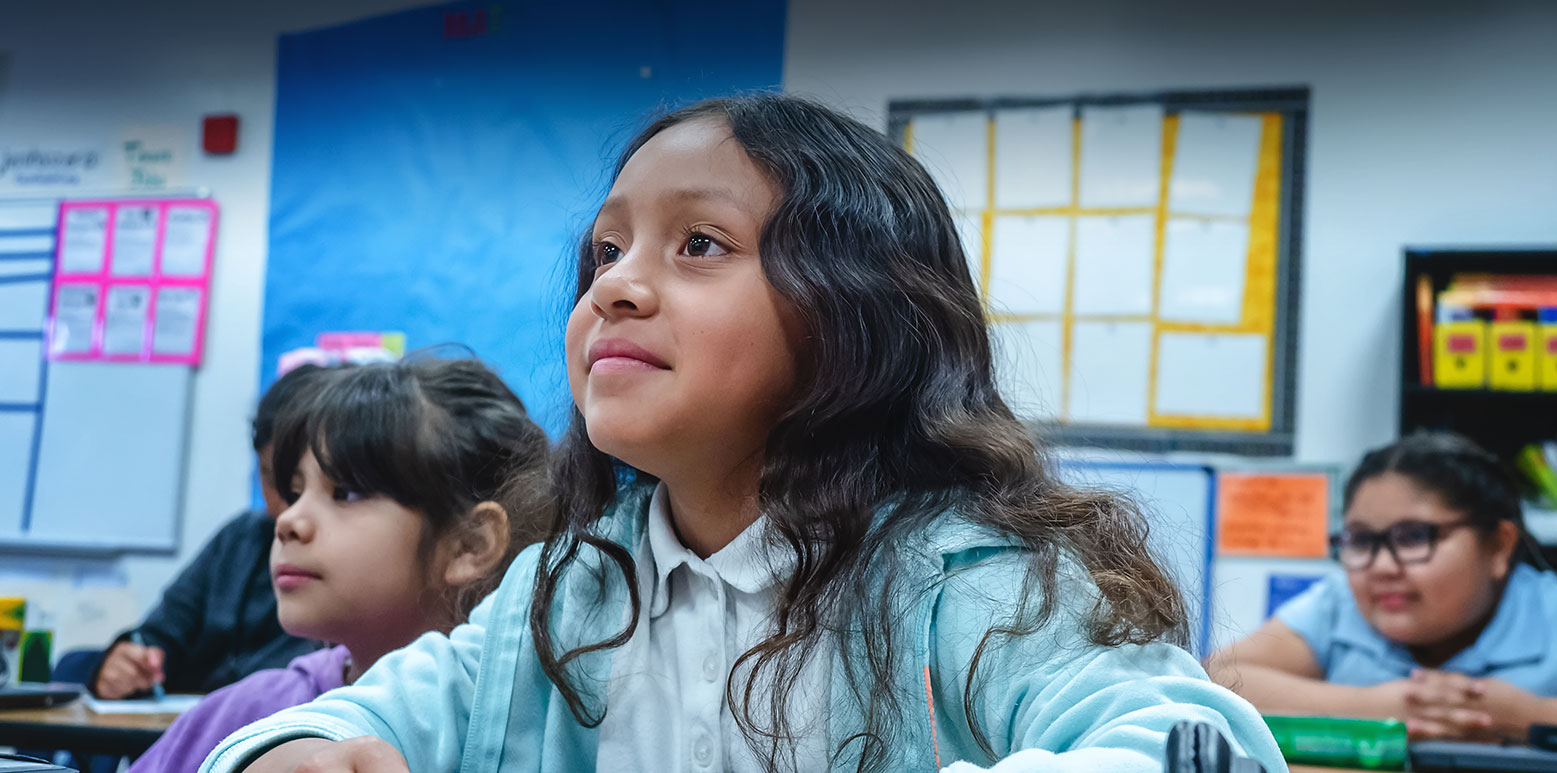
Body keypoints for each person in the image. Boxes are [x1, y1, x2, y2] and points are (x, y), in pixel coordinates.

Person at [203, 94, 1282, 773]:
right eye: (604, 253)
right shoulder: (564, 590)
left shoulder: (976, 583)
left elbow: (1203, 741)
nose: (617, 286)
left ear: (857, 312)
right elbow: (318, 725)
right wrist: (290, 747)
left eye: (700, 244)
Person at [132, 357, 546, 773]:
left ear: (468, 545)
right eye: (294, 493)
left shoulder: (531, 727)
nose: (289, 521)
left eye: (345, 493)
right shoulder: (241, 712)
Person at [1209, 431, 1557, 741]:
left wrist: (1527, 718)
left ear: (1498, 546)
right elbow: (1217, 678)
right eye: (1361, 541)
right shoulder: (1341, 603)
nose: (1380, 567)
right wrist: (1378, 708)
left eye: (1413, 537)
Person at [91, 365, 325, 700]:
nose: (284, 511)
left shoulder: (347, 567)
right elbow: (157, 636)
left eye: (301, 486)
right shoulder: (239, 539)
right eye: (273, 480)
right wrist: (125, 663)